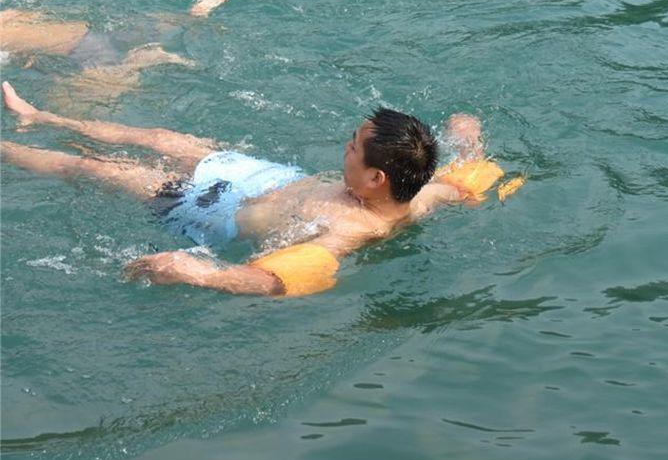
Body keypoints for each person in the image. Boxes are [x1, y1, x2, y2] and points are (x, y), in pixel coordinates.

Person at [1, 81, 521, 297]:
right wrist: (466, 139)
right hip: (264, 177)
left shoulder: (352, 228)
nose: (343, 150)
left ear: (375, 178)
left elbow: (279, 280)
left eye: (351, 148)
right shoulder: (422, 193)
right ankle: (37, 116)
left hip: (211, 208)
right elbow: (464, 181)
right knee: (157, 138)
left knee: (97, 168)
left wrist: (198, 273)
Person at [0, 0, 231, 111]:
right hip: (89, 37)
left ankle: (141, 61)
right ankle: (195, 15)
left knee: (55, 125)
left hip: (90, 54)